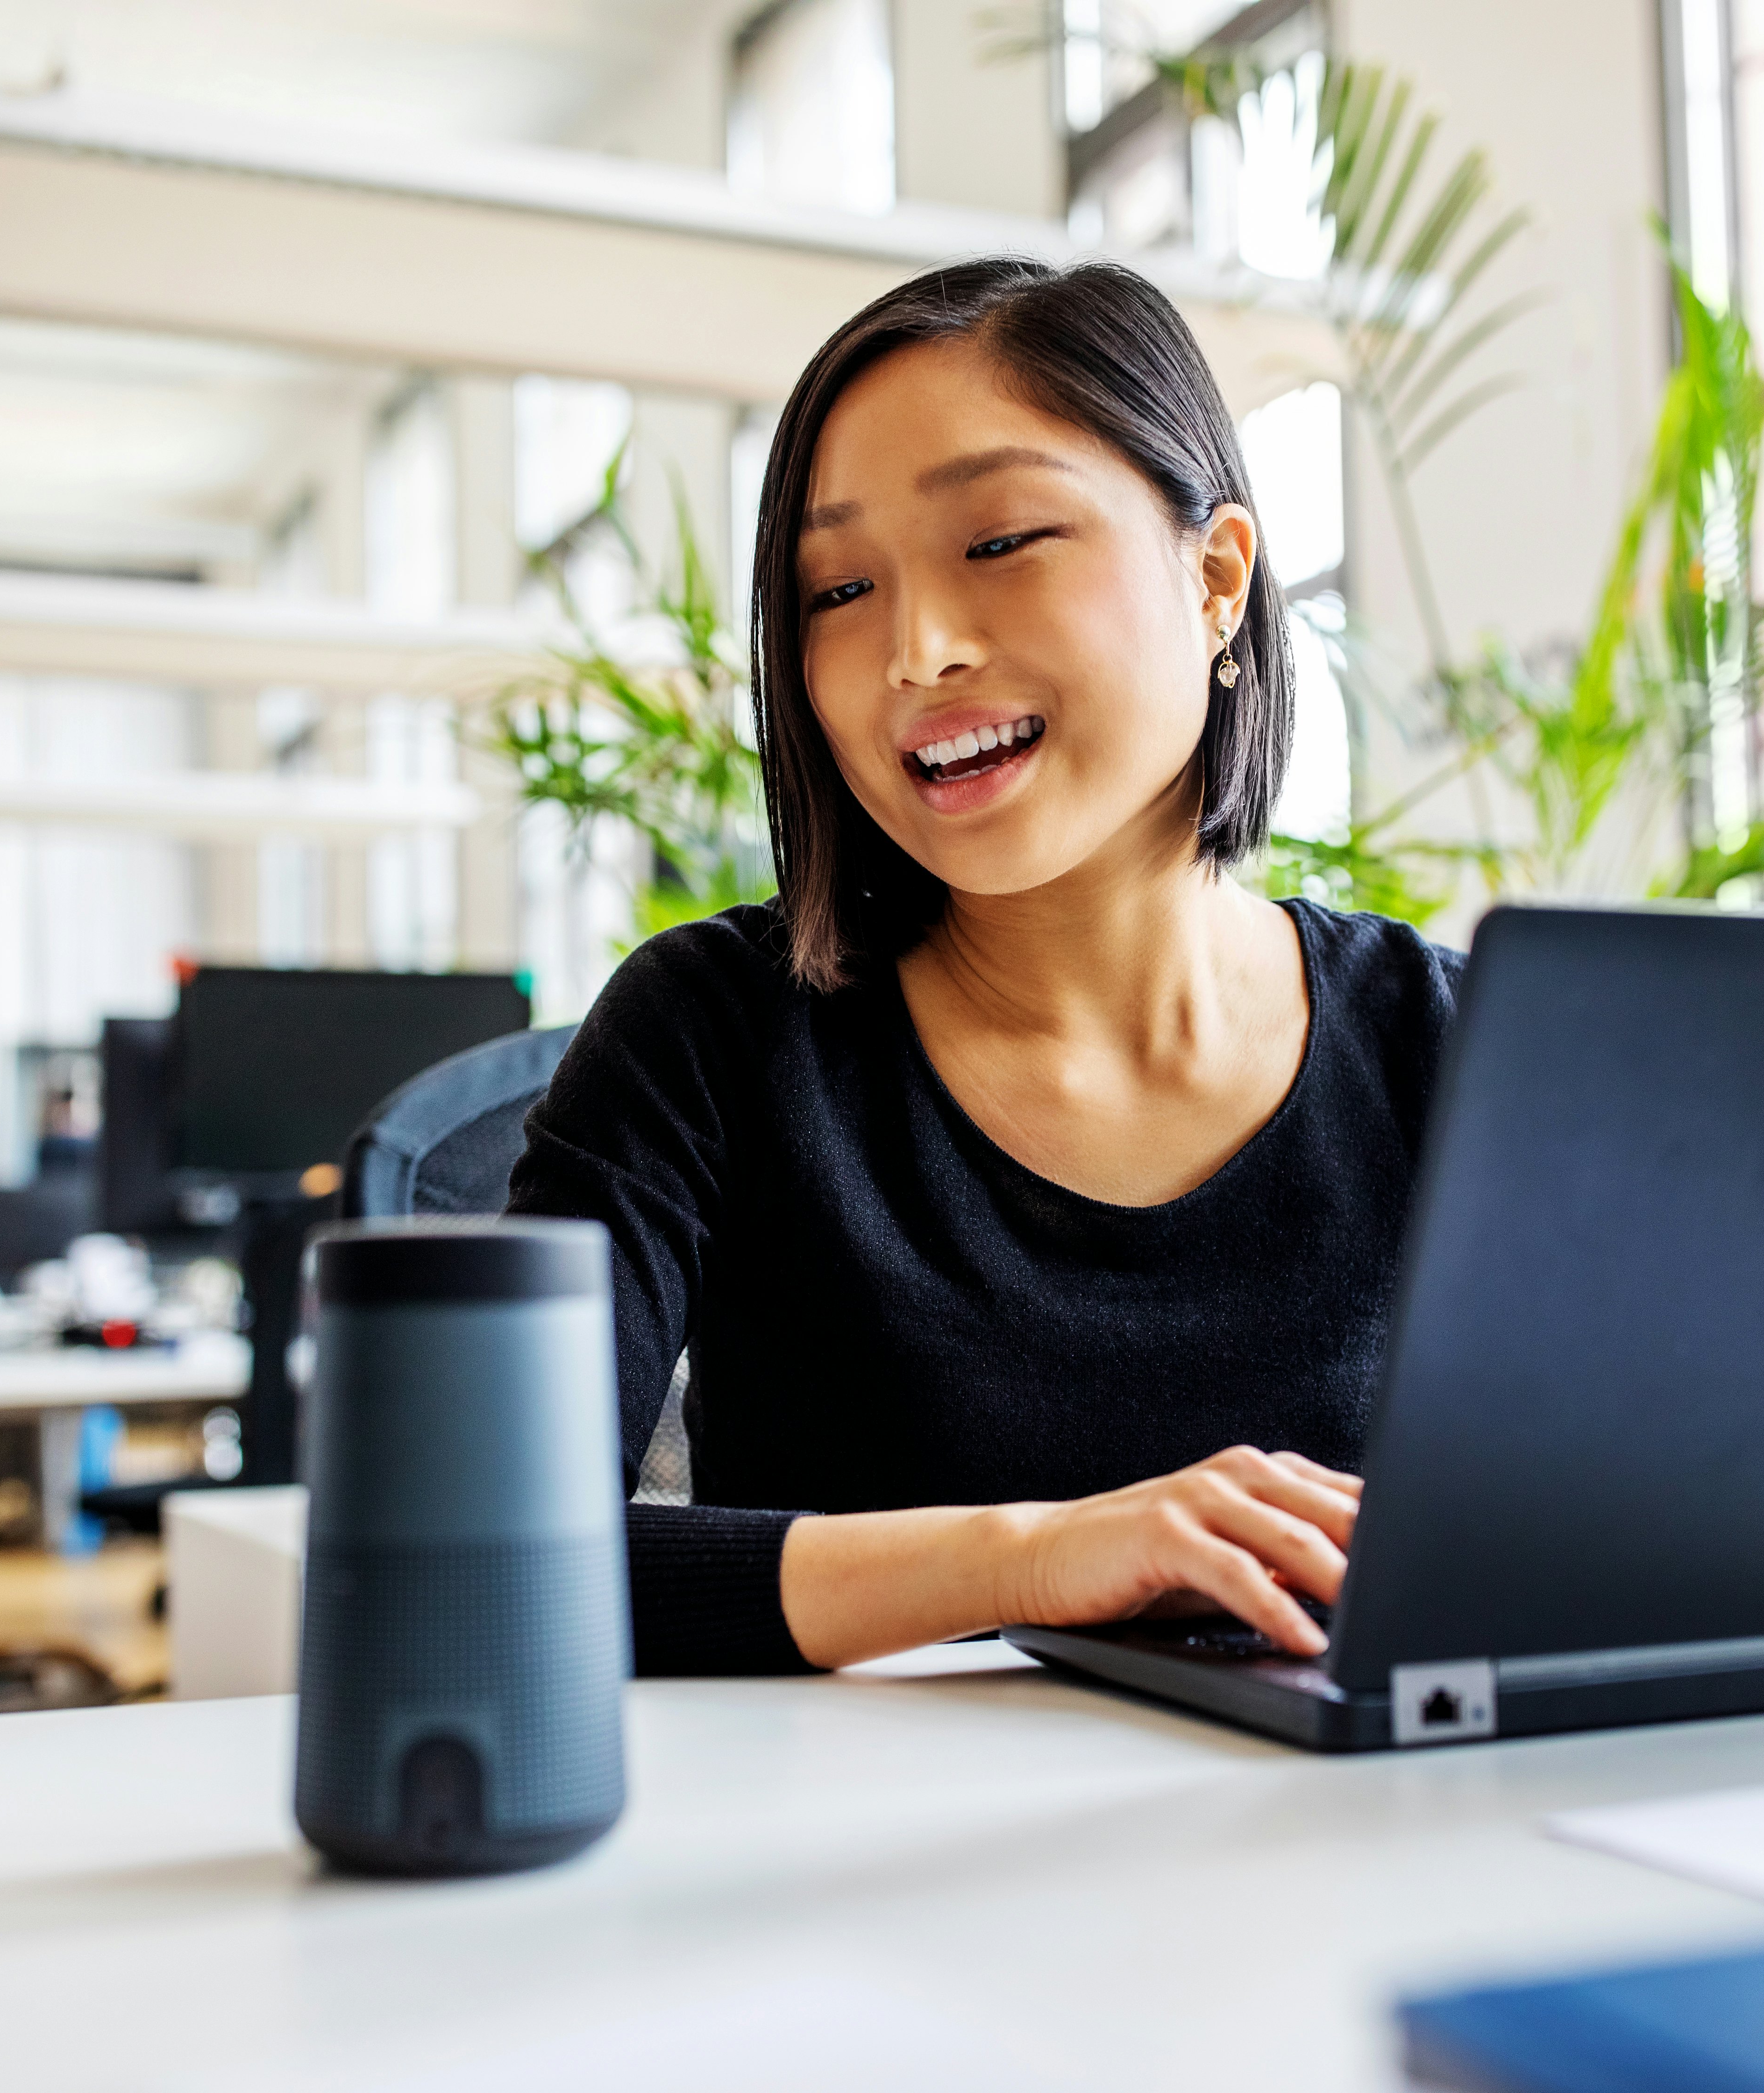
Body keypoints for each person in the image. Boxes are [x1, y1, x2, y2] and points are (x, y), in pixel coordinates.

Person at [506, 257, 1462, 1674]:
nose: (916, 651)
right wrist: (1033, 1557)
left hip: (1405, 1857)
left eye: (1001, 542)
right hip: (882, 1876)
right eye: (837, 588)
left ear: (1215, 580)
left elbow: (1675, 1505)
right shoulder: (705, 1039)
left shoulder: (1453, 1045)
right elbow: (486, 1557)